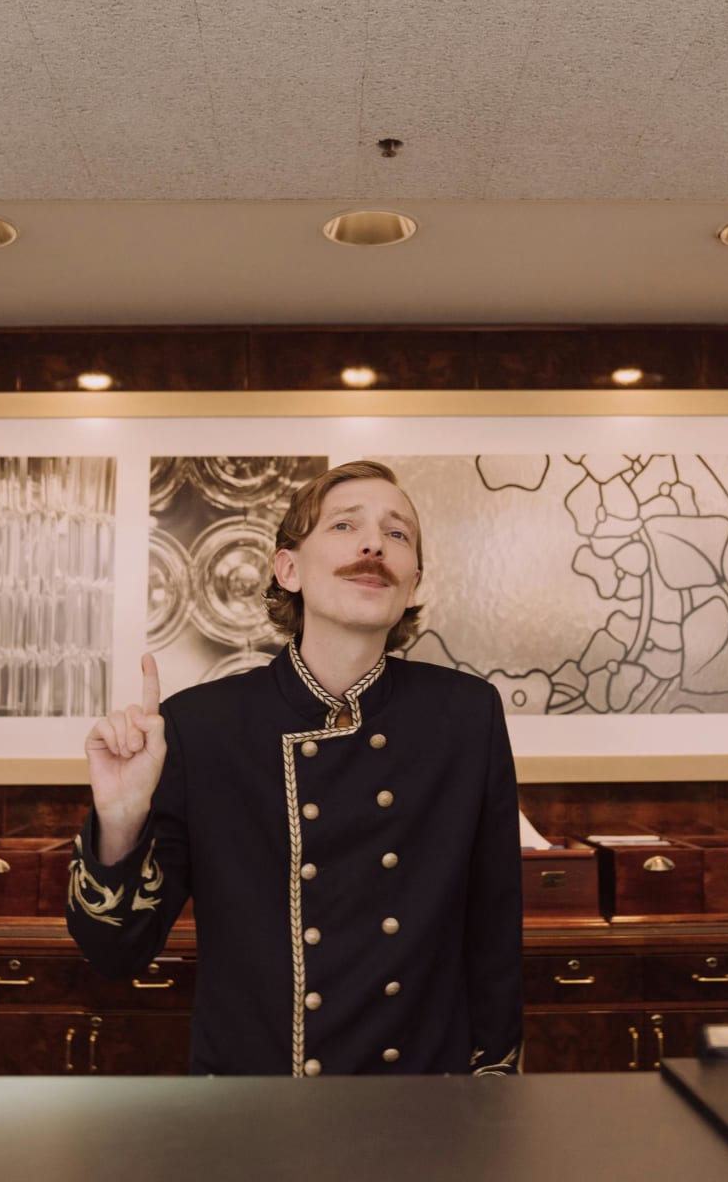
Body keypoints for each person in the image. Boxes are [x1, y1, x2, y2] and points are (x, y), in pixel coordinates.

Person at [66, 460, 524, 1077]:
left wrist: (490, 1089)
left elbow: (494, 930)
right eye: (344, 526)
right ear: (289, 570)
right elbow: (114, 952)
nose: (373, 545)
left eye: (398, 534)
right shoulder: (201, 726)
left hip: (422, 1102)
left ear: (413, 581)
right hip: (256, 1106)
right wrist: (120, 822)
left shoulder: (465, 716)